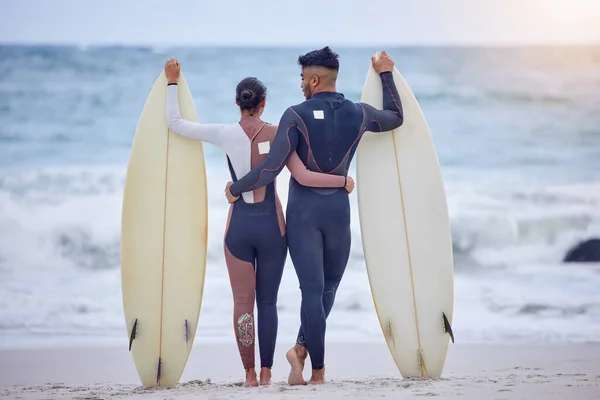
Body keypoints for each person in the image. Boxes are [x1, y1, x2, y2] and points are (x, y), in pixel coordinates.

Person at [163, 59, 355, 387]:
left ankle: (250, 375)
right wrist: (341, 181)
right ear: (263, 103)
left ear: (238, 103)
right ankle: (268, 373)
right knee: (267, 302)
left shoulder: (223, 134)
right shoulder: (281, 133)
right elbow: (302, 174)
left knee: (242, 303)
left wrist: (172, 83)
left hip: (238, 230)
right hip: (273, 230)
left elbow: (176, 123)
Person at [224, 47, 404, 385]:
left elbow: (270, 168)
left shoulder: (295, 115)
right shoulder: (360, 113)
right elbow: (396, 116)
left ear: (315, 79)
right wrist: (385, 73)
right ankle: (301, 353)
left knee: (313, 290)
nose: (301, 84)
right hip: (338, 212)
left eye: (303, 79)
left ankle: (314, 369)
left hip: (304, 215)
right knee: (329, 288)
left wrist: (237, 187)